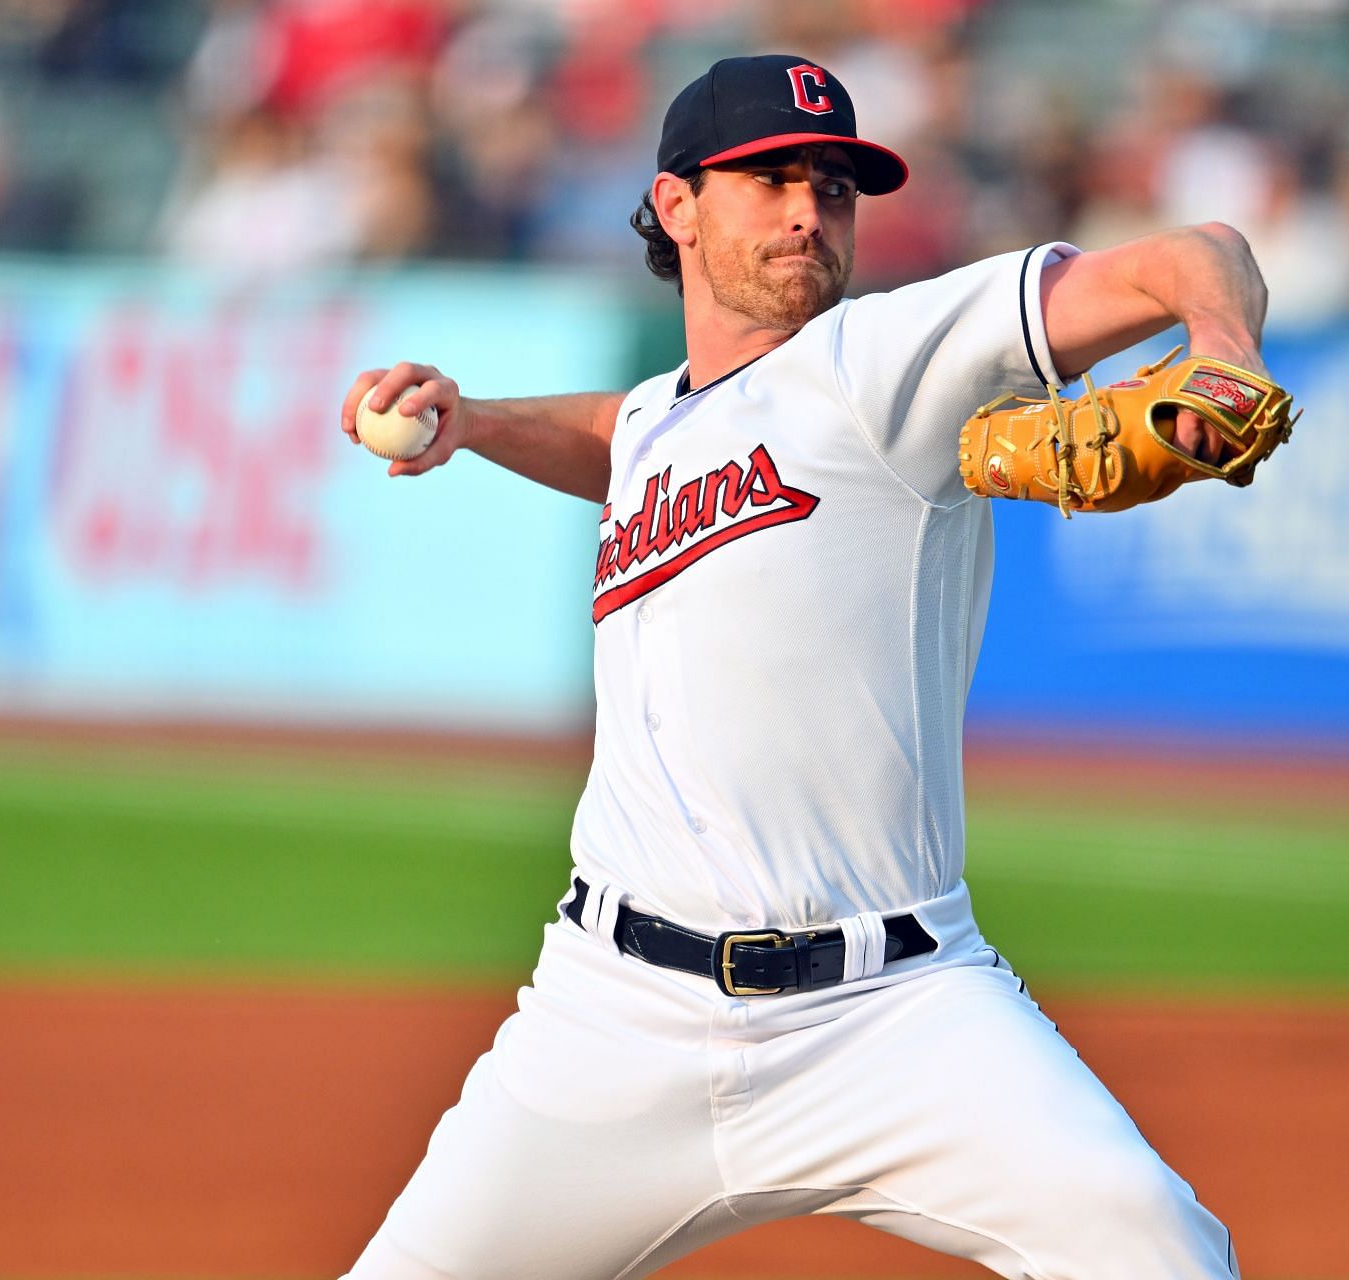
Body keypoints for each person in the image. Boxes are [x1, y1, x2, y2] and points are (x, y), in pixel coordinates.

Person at [338, 53, 1270, 1280]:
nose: (807, 211)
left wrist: (1221, 343)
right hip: (611, 1017)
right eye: (770, 177)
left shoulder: (879, 361)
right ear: (676, 205)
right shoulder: (664, 414)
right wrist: (481, 423)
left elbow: (1202, 250)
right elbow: (621, 437)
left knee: (1158, 1250)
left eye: (832, 187)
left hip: (894, 1013)